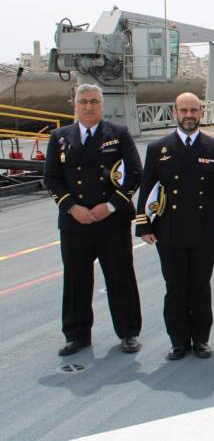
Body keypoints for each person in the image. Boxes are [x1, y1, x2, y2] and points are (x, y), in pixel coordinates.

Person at [43, 83, 142, 356]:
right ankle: (76, 335)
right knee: (76, 279)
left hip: (111, 222)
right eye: (84, 101)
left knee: (120, 277)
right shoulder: (59, 137)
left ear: (102, 105)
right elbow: (51, 178)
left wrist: (110, 206)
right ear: (75, 105)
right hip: (75, 222)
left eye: (94, 102)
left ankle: (128, 332)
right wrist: (72, 207)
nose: (89, 106)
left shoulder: (118, 134)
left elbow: (135, 173)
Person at [136, 93, 214, 360]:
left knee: (200, 286)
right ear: (175, 112)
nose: (189, 115)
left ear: (201, 112)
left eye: (194, 110)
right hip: (169, 230)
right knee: (176, 287)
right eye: (184, 110)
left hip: (206, 230)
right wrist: (143, 225)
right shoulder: (158, 148)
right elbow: (147, 189)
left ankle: (201, 340)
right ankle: (178, 341)